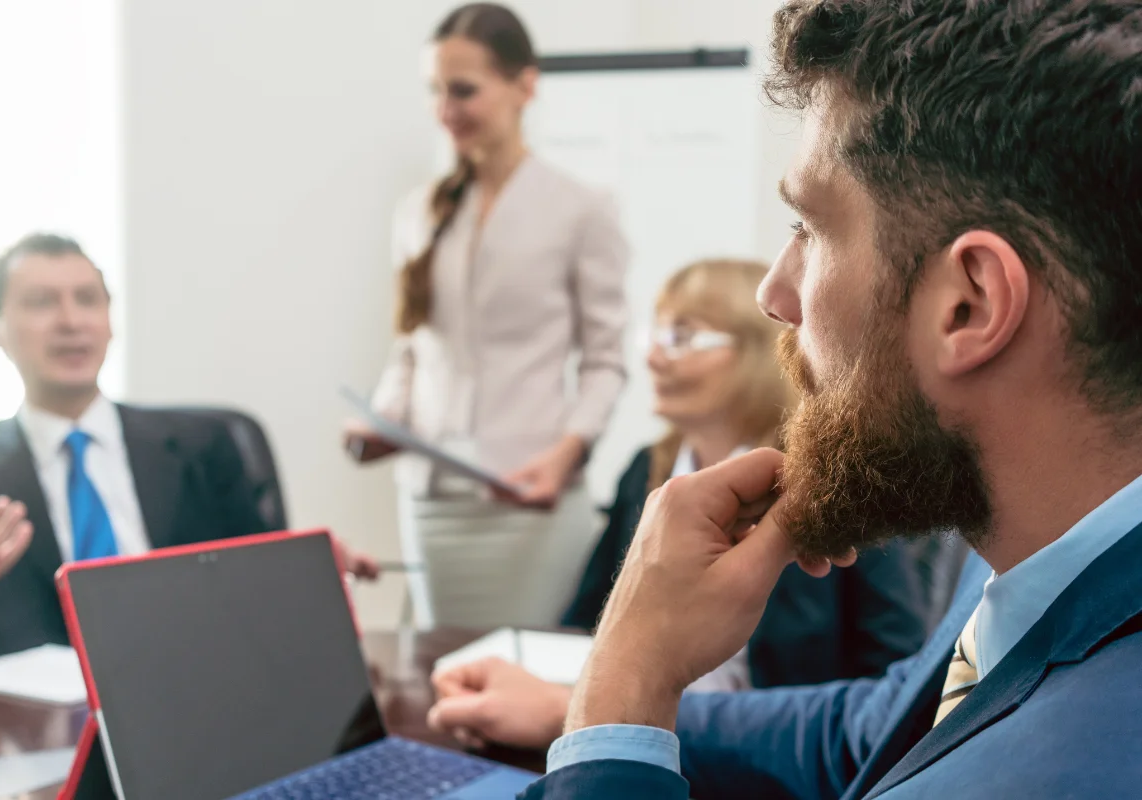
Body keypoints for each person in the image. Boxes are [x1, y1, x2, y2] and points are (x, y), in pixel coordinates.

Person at [436, 2, 1142, 797]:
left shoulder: (1068, 768)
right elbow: (874, 733)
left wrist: (624, 687)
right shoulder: (1035, 557)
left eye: (809, 226)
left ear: (968, 304)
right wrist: (582, 706)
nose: (775, 292)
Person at [0, 233, 378, 657]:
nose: (71, 321)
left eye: (88, 300)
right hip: (39, 718)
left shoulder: (206, 446)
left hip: (195, 683)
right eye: (41, 302)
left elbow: (258, 588)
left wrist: (302, 570)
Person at [347, 3, 627, 629]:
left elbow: (607, 363)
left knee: (529, 687)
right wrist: (382, 422)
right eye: (434, 91)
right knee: (443, 681)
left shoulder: (582, 208)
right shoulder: (418, 210)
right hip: (431, 502)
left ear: (525, 85)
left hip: (530, 501)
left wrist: (566, 454)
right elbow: (413, 351)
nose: (445, 109)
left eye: (463, 90)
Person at [562, 259, 928, 690]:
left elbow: (895, 667)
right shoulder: (645, 469)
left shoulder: (840, 476)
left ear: (760, 351)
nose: (654, 357)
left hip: (778, 749)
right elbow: (586, 622)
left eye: (682, 336)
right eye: (655, 334)